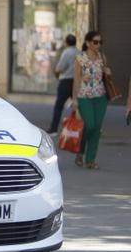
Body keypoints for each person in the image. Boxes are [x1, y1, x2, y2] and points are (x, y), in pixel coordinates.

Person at [72, 31, 112, 170]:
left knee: (96, 129)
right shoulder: (80, 58)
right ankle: (80, 151)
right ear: (88, 43)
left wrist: (108, 73)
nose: (98, 45)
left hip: (100, 97)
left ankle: (90, 160)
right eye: (95, 42)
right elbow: (76, 80)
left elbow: (106, 77)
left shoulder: (102, 57)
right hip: (84, 97)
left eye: (100, 42)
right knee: (89, 126)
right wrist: (75, 101)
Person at [47, 34, 78, 135]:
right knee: (78, 105)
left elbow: (60, 68)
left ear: (66, 42)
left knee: (59, 106)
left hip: (66, 81)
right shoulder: (79, 52)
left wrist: (56, 74)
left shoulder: (66, 53)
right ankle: (81, 127)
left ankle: (54, 129)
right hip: (77, 81)